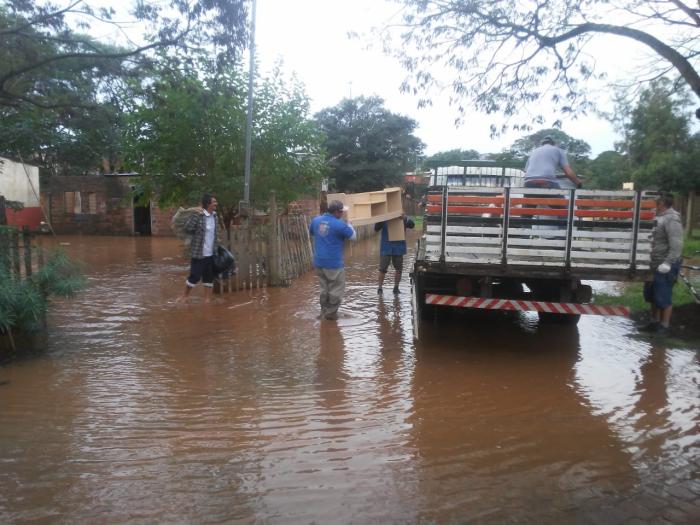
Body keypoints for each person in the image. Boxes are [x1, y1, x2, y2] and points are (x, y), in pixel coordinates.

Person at [643, 193, 684, 335]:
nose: (653, 205)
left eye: (656, 203)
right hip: (653, 263)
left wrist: (668, 263)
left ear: (661, 204)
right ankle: (653, 322)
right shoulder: (659, 217)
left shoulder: (672, 219)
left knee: (663, 295)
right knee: (652, 295)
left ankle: (664, 326)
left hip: (665, 263)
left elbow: (677, 244)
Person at [309, 200, 357, 320]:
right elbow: (353, 236)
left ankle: (323, 312)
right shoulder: (340, 224)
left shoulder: (316, 220)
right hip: (333, 263)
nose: (342, 214)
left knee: (324, 288)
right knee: (336, 288)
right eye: (341, 212)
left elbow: (312, 233)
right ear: (336, 212)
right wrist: (349, 224)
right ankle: (330, 315)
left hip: (319, 262)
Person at [178, 194, 219, 304]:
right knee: (195, 276)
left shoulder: (215, 216)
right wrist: (195, 216)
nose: (216, 204)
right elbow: (187, 228)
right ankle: (184, 296)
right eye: (214, 202)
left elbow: (215, 234)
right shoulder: (198, 216)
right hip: (199, 253)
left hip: (211, 253)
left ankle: (207, 299)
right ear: (208, 204)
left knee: (209, 277)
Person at [375, 215, 415, 294]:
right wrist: (382, 219)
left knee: (399, 269)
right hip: (386, 247)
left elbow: (412, 225)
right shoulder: (384, 217)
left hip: (398, 247)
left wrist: (405, 219)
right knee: (382, 269)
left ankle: (396, 288)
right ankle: (380, 288)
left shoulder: (402, 216)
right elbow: (376, 228)